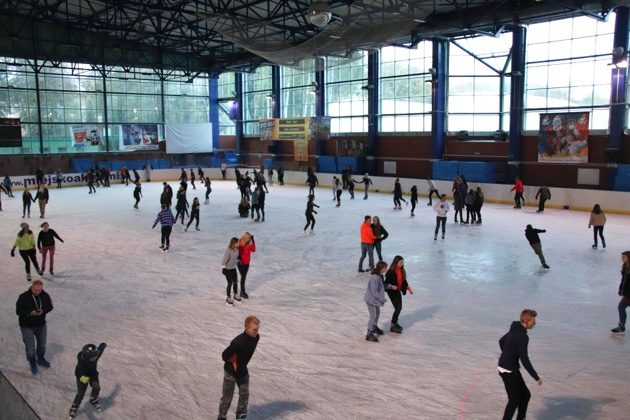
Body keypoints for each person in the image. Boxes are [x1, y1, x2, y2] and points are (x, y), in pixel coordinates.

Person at [498, 309, 542, 420]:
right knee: (514, 399)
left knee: (525, 395)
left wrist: (508, 353)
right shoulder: (523, 336)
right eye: (533, 321)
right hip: (509, 370)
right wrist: (536, 377)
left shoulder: (515, 327)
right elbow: (524, 360)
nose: (535, 323)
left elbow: (501, 341)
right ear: (526, 321)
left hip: (507, 367)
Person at [218, 315, 261, 420]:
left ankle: (240, 416)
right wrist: (232, 360)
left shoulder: (256, 338)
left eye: (258, 329)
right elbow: (224, 356)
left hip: (242, 370)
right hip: (231, 372)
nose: (257, 332)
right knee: (227, 397)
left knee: (244, 394)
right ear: (247, 328)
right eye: (254, 329)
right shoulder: (238, 342)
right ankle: (222, 417)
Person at [15, 279, 53, 375]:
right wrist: (30, 313)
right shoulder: (23, 297)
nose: (37, 292)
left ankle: (40, 359)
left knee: (42, 344)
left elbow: (50, 306)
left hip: (41, 325)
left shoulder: (45, 295)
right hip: (26, 326)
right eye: (35, 290)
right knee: (30, 347)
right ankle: (32, 362)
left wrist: (43, 311)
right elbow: (18, 311)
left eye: (39, 290)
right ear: (32, 287)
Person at [68, 342, 107, 418]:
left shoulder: (95, 355)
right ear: (87, 357)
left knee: (96, 387)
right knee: (80, 394)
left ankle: (93, 399)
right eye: (93, 357)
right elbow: (78, 371)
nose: (96, 357)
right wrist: (82, 377)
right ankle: (74, 406)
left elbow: (100, 350)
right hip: (83, 377)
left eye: (96, 355)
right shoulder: (81, 362)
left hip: (92, 374)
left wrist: (103, 345)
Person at [364, 261, 392, 342]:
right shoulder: (375, 278)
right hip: (371, 300)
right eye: (385, 268)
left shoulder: (379, 276)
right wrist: (382, 299)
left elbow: (382, 285)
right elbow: (374, 291)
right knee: (373, 315)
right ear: (382, 268)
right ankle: (369, 334)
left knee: (377, 313)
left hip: (375, 300)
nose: (386, 269)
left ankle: (374, 327)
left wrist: (390, 286)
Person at [384, 256, 413, 333]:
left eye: (403, 262)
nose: (402, 264)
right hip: (392, 292)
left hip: (397, 291)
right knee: (398, 307)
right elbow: (385, 283)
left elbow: (403, 281)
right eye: (400, 262)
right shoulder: (391, 272)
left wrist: (408, 288)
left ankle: (394, 323)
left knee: (399, 308)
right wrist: (391, 287)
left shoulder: (401, 270)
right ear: (396, 262)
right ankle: (393, 325)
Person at [611, 251, 630, 333]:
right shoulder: (625, 266)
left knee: (621, 306)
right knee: (621, 307)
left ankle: (621, 326)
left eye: (623, 257)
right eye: (622, 257)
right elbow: (623, 280)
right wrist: (620, 289)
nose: (622, 259)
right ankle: (621, 326)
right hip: (627, 293)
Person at [222, 237, 240, 305]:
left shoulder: (237, 250)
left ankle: (235, 295)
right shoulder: (228, 250)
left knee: (235, 282)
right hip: (227, 269)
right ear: (234, 243)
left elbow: (235, 258)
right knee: (230, 283)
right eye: (238, 242)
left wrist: (238, 261)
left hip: (233, 268)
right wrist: (223, 268)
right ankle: (228, 297)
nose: (239, 243)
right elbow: (224, 260)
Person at [237, 233, 256, 299]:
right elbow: (236, 252)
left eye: (250, 239)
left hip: (247, 263)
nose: (250, 240)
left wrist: (253, 241)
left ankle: (242, 291)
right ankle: (242, 292)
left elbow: (253, 250)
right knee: (243, 276)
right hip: (240, 263)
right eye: (249, 238)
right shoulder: (239, 244)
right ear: (246, 238)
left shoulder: (248, 245)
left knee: (243, 277)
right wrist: (238, 259)